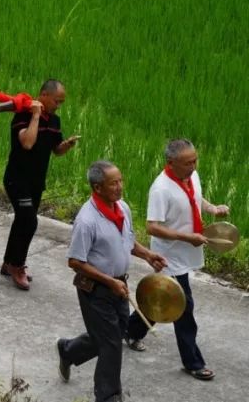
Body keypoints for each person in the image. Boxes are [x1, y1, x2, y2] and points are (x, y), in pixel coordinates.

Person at [57, 160, 166, 402]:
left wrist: (147, 254)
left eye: (120, 181)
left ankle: (68, 350)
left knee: (109, 336)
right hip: (95, 290)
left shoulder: (122, 208)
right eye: (113, 183)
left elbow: (127, 242)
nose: (119, 187)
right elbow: (75, 261)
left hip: (119, 286)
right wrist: (109, 281)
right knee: (111, 344)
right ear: (97, 188)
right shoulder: (87, 221)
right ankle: (108, 396)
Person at [123, 139, 230, 380]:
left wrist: (212, 209)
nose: (193, 166)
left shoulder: (190, 175)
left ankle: (130, 330)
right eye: (187, 163)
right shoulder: (161, 189)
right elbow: (152, 227)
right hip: (169, 257)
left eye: (195, 160)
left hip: (188, 250)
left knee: (161, 299)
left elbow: (194, 198)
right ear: (171, 163)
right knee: (184, 307)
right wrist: (185, 236)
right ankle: (193, 362)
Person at [1, 79, 81, 290]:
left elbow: (56, 150)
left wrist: (67, 145)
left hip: (36, 182)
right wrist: (35, 115)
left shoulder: (54, 121)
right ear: (43, 95)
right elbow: (27, 143)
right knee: (28, 221)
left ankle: (9, 262)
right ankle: (17, 266)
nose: (58, 105)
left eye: (61, 102)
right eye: (56, 101)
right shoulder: (23, 116)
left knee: (22, 220)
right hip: (17, 179)